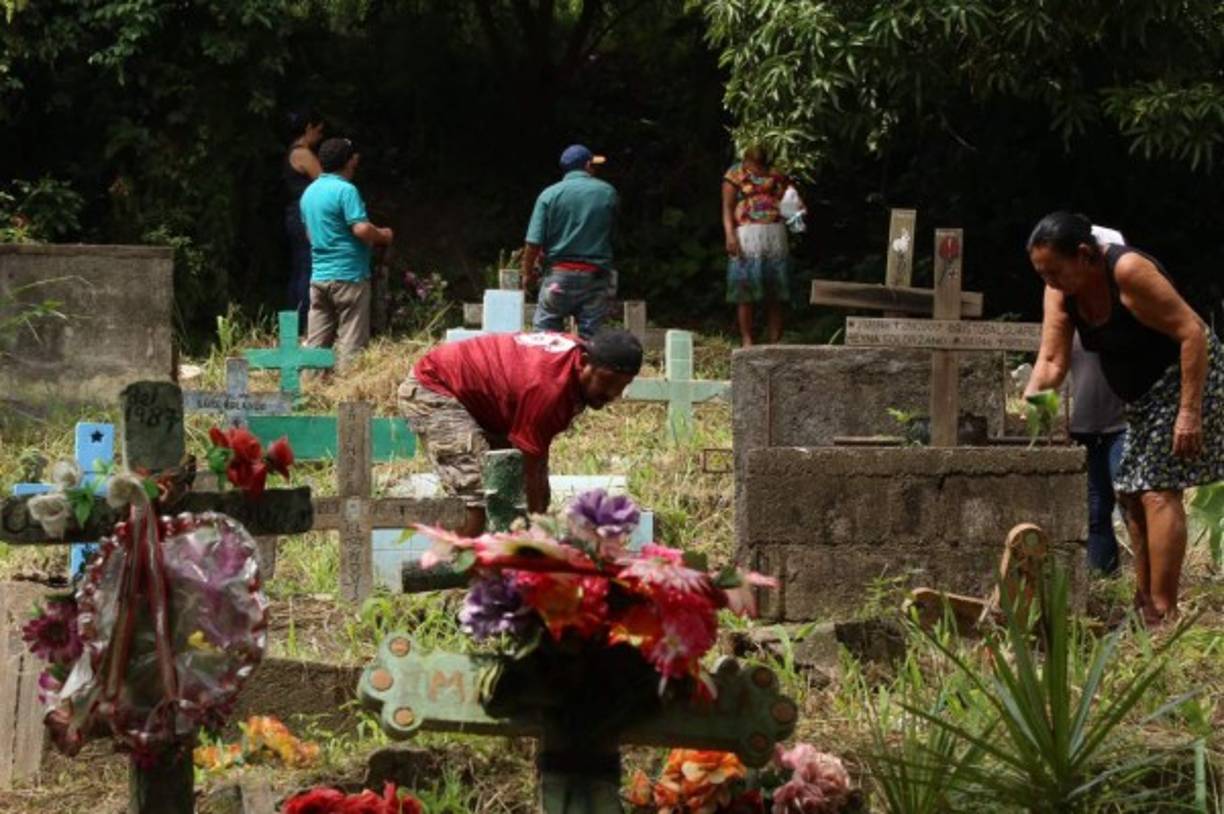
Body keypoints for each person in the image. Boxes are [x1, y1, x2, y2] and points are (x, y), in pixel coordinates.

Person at [1024, 211, 1224, 624]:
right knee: (1129, 494)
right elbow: (1051, 360)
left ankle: (1164, 611)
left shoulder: (1128, 270)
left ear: (1084, 255)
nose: (1050, 282)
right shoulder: (1060, 291)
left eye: (1054, 271)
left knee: (1155, 489)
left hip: (1187, 378)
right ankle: (1144, 602)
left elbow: (1193, 334)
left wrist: (1188, 414)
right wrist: (1034, 403)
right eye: (1042, 274)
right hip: (1141, 398)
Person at [398, 329, 643, 537]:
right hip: (435, 387)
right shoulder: (550, 388)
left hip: (485, 400)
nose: (614, 394)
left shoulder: (574, 365)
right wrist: (537, 531)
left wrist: (540, 514)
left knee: (513, 488)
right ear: (585, 361)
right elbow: (529, 463)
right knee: (480, 498)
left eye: (623, 385)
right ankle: (463, 579)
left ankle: (503, 569)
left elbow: (534, 460)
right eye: (607, 381)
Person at [299, 137, 393, 370]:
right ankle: (348, 393)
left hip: (319, 277)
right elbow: (360, 228)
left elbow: (310, 236)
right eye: (353, 160)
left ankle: (311, 389)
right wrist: (383, 235)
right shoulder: (346, 190)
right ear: (348, 162)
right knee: (352, 342)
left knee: (316, 343)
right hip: (349, 277)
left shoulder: (309, 193)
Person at [1068, 224, 1128, 576]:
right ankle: (1103, 576)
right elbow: (1054, 367)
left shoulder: (1127, 311)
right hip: (1085, 424)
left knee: (1130, 501)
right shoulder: (1073, 314)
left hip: (1124, 421)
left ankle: (1150, 589)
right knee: (1094, 508)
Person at [522, 144, 618, 339]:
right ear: (587, 165)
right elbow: (613, 233)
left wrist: (528, 273)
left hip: (559, 276)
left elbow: (533, 242)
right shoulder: (608, 192)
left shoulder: (549, 195)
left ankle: (549, 367)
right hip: (595, 277)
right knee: (592, 339)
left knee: (545, 334)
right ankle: (587, 367)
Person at [721, 144, 801, 347]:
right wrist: (730, 235)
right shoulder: (735, 173)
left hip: (774, 236)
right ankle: (747, 339)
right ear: (747, 161)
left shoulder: (777, 174)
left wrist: (794, 208)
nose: (757, 168)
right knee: (745, 290)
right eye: (753, 164)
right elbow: (727, 208)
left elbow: (790, 203)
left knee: (775, 291)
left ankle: (775, 340)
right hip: (747, 237)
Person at [284, 109, 325, 333]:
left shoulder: (292, 151)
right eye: (318, 131)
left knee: (299, 268)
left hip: (294, 215)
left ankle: (294, 324)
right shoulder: (303, 154)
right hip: (303, 217)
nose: (319, 137)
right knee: (306, 270)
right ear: (308, 128)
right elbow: (323, 182)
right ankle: (304, 325)